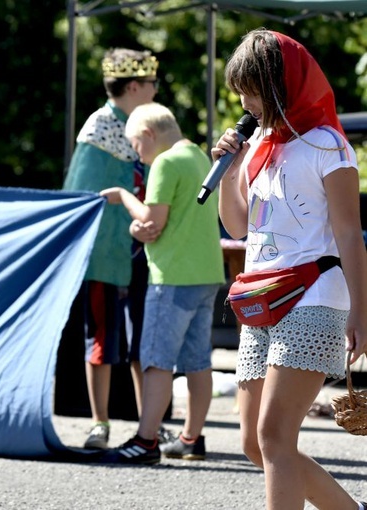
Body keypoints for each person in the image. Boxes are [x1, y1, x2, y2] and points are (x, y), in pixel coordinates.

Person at [213, 29, 367, 509]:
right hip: (260, 299)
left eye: (252, 89)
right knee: (254, 444)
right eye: (239, 90)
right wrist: (230, 168)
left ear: (280, 85)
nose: (244, 101)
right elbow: (238, 226)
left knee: (275, 436)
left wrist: (361, 311)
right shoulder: (257, 142)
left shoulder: (328, 145)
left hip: (314, 297)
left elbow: (348, 235)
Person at [99, 102, 225, 464]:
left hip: (172, 278)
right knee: (199, 362)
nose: (138, 155)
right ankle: (190, 438)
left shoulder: (165, 163)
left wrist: (124, 199)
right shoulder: (199, 157)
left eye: (137, 146)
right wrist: (143, 227)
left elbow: (153, 224)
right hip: (206, 276)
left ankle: (146, 440)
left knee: (155, 360)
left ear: (149, 135)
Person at [62, 48, 162, 450]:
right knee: (102, 338)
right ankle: (99, 422)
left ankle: (147, 424)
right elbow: (81, 196)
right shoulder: (99, 127)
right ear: (135, 86)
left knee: (145, 342)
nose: (157, 90)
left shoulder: (151, 125)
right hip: (107, 254)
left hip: (146, 252)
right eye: (152, 84)